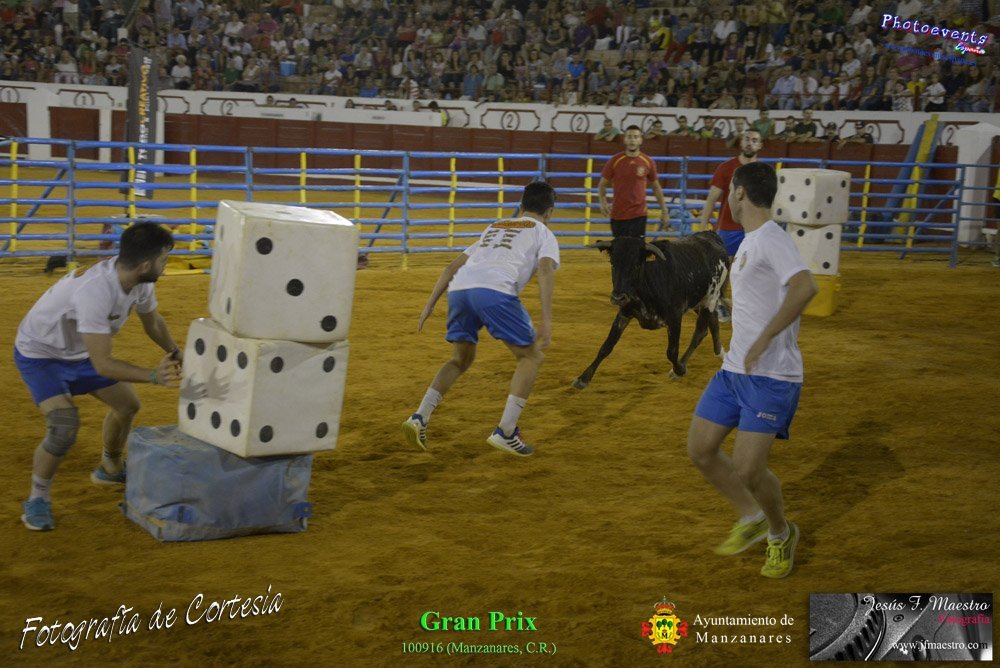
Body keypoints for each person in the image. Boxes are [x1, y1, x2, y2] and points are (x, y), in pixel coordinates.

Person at [687, 161, 818, 579]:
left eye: (729, 190)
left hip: (770, 377)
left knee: (748, 468)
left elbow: (806, 286)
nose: (727, 196)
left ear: (739, 192)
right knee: (701, 450)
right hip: (734, 372)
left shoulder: (771, 239)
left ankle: (781, 533)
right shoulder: (749, 242)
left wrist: (764, 338)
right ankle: (752, 516)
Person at [15, 223, 183, 531]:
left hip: (79, 352)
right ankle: (37, 499)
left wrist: (175, 351)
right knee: (64, 425)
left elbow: (153, 322)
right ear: (145, 264)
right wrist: (153, 375)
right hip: (42, 355)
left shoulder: (139, 281)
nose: (166, 265)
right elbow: (103, 364)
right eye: (164, 259)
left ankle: (110, 466)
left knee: (127, 406)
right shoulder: (95, 291)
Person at [401, 182, 559, 457]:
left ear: (520, 207)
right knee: (531, 356)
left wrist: (429, 305)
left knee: (459, 360)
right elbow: (545, 270)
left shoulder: (496, 227)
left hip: (460, 291)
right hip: (495, 291)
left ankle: (419, 417)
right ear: (550, 212)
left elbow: (452, 267)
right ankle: (506, 431)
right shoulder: (544, 233)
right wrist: (546, 318)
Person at [699, 128, 764, 319]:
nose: (750, 143)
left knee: (753, 268)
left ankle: (747, 305)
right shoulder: (726, 168)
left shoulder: (762, 171)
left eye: (754, 140)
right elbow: (712, 198)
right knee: (723, 269)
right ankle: (719, 302)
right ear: (741, 142)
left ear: (760, 145)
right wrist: (703, 225)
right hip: (728, 228)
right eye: (747, 139)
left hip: (753, 228)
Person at [598, 125, 669, 237]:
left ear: (640, 140)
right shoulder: (615, 160)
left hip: (639, 215)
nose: (632, 140)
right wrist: (603, 203)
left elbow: (656, 188)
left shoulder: (648, 162)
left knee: (637, 247)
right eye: (629, 137)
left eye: (636, 137)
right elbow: (602, 185)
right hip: (618, 214)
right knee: (619, 247)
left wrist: (664, 211)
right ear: (624, 140)